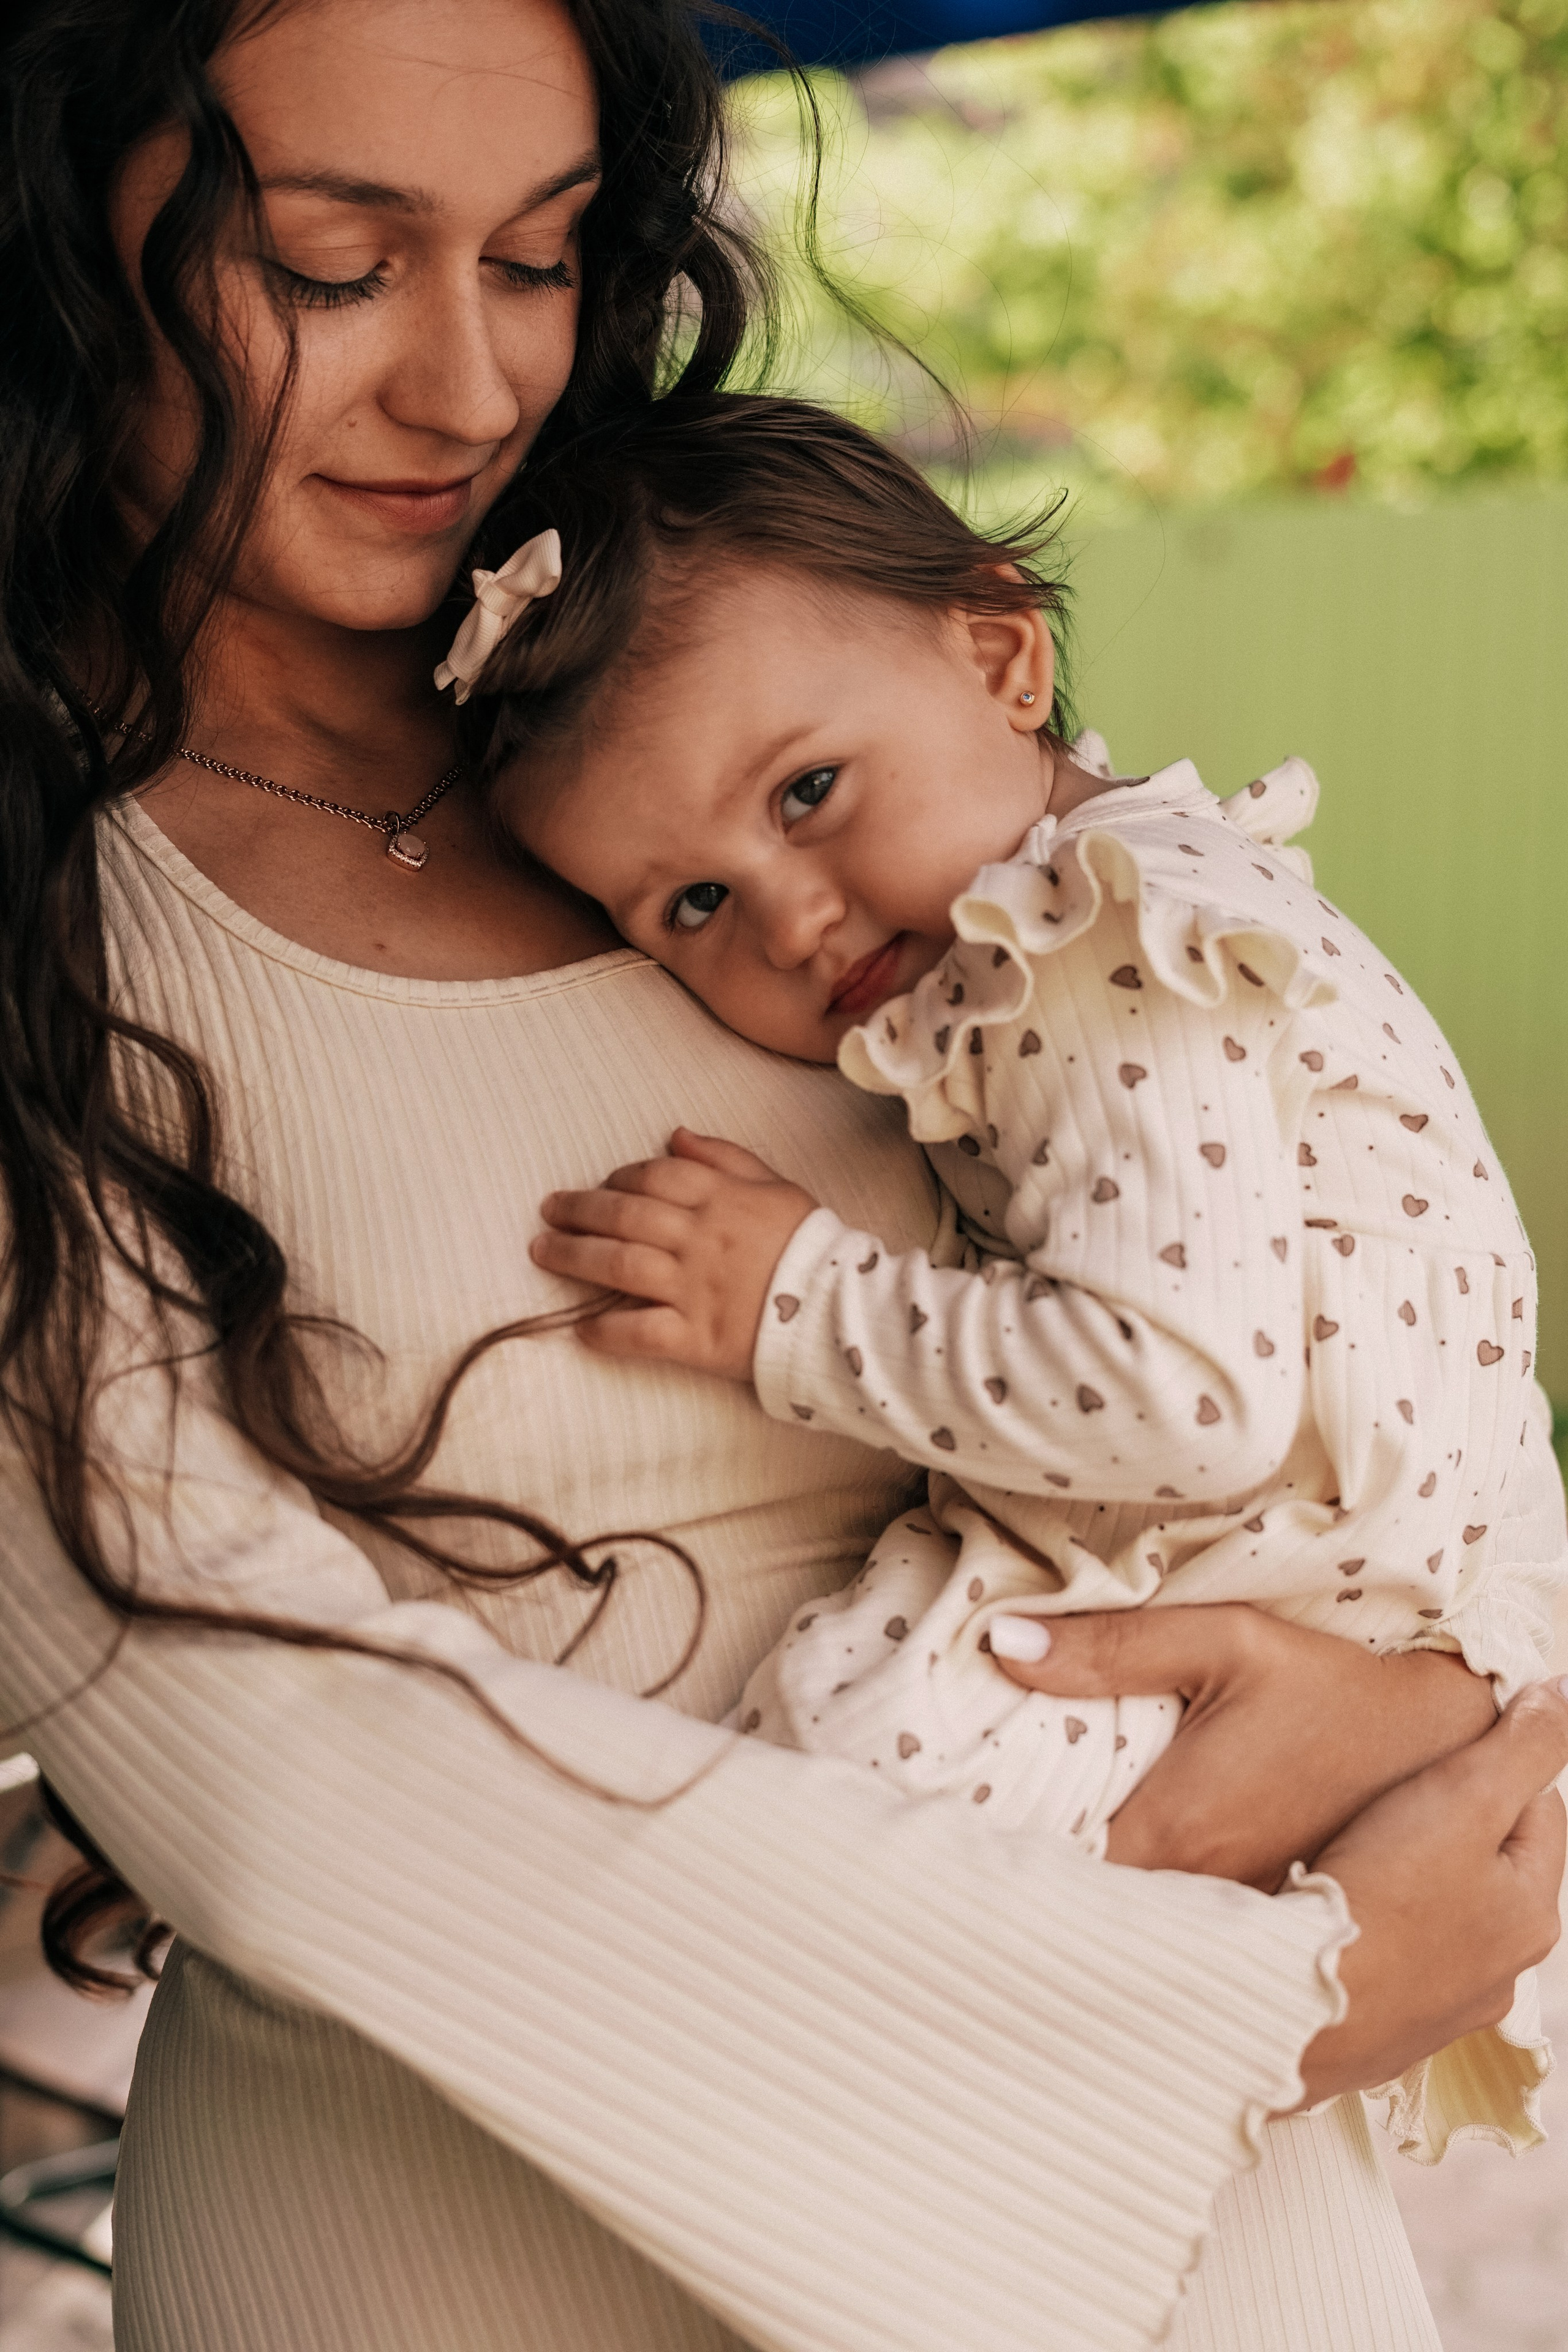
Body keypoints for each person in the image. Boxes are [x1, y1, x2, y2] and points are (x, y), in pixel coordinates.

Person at [0, 6, 1561, 2351]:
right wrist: (1243, 1988)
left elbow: (1343, 1271)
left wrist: (1456, 1693)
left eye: (538, 257)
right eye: (327, 264)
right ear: (46, 250)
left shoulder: (762, 713)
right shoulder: (57, 921)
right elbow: (264, 1758)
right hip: (479, 2238)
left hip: (1216, 2243)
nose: (468, 388)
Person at [472, 390, 1566, 2155]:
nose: (792, 916)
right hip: (1373, 1588)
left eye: (809, 792)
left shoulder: (1085, 951)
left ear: (1000, 659)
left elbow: (1186, 1399)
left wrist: (801, 1308)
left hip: (1291, 1576)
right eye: (687, 907)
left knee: (842, 1764)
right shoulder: (1145, 900)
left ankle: (973, 2144)